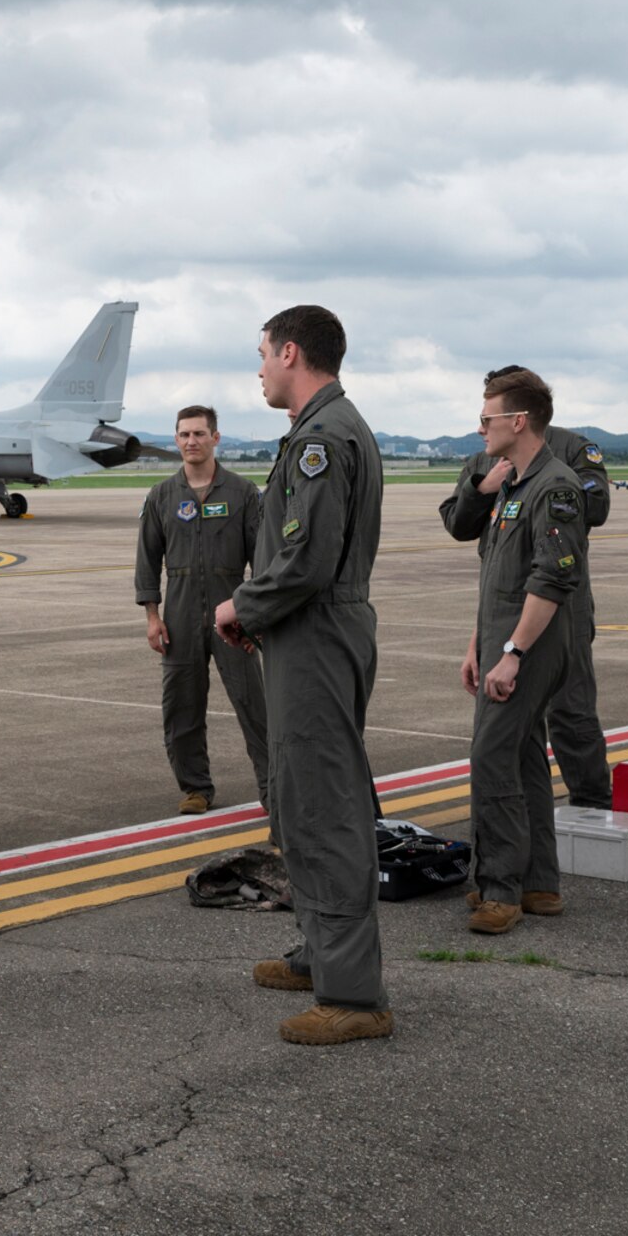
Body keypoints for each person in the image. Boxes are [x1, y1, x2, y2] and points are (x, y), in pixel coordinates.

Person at [212, 306, 390, 1046]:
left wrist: (240, 607)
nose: (258, 369)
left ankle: (354, 996)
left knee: (323, 809)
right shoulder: (324, 430)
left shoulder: (323, 439)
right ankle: (322, 955)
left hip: (314, 633)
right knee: (298, 798)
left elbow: (305, 564)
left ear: (292, 352)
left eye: (262, 355)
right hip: (306, 634)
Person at [439, 367, 612, 811]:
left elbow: (594, 505)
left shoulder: (570, 450)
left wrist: (527, 484)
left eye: (492, 409)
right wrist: (486, 487)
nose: (482, 425)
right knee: (516, 735)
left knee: (571, 712)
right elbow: (457, 521)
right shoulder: (485, 458)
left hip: (559, 603)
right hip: (502, 604)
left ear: (521, 413)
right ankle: (532, 850)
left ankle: (592, 804)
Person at [458, 367, 589, 935]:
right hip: (504, 640)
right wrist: (479, 646)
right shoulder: (513, 484)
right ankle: (540, 884)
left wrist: (510, 653)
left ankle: (500, 889)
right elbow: (497, 577)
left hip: (529, 646)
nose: (479, 426)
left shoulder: (555, 487)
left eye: (487, 418)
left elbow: (552, 580)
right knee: (525, 756)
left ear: (519, 420)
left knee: (491, 757)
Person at [134, 405, 269, 817]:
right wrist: (153, 617)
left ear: (216, 438)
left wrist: (255, 616)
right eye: (184, 434)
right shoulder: (161, 496)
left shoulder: (243, 493)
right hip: (178, 615)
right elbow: (147, 559)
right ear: (176, 440)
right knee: (181, 707)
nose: (191, 441)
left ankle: (273, 787)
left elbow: (262, 560)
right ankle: (195, 787)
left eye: (199, 433)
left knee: (254, 706)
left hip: (233, 614)